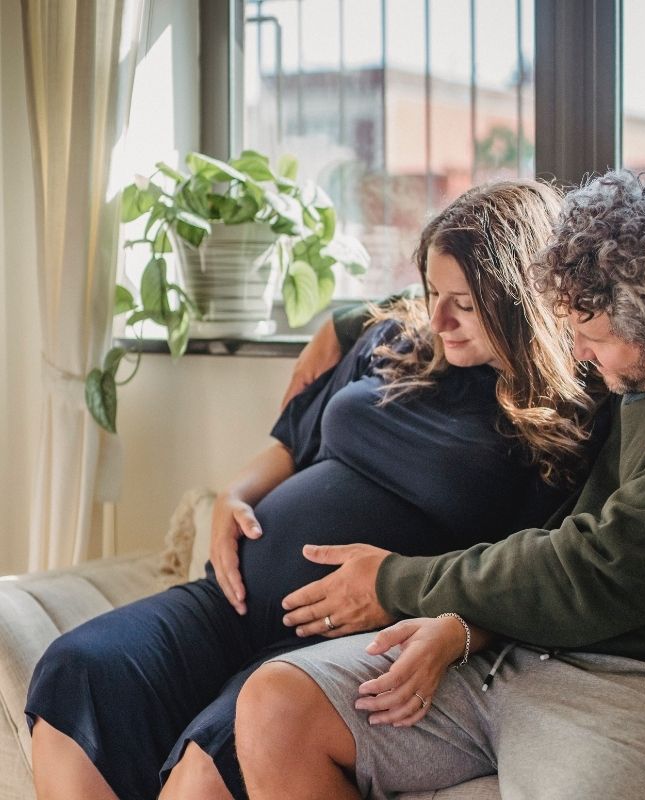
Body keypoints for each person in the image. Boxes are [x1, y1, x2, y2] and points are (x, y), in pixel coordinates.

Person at [26, 180, 603, 800]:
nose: (438, 318)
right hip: (228, 603)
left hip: (342, 640)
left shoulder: (563, 415)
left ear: (518, 300)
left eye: (462, 302)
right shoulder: (395, 341)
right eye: (433, 293)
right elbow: (289, 443)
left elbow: (542, 566)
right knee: (78, 671)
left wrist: (459, 623)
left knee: (207, 768)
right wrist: (233, 494)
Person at [234, 169, 645, 800]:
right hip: (523, 650)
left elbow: (598, 568)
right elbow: (478, 288)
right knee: (279, 703)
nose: (578, 356)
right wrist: (346, 322)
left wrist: (396, 581)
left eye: (590, 340)